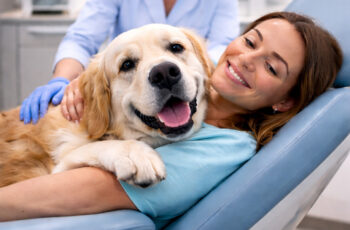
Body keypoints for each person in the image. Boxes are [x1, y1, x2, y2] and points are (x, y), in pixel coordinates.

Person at [1, 12, 342, 229]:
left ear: (285, 100)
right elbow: (84, 37)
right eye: (250, 41)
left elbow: (58, 192)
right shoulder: (206, 87)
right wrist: (77, 83)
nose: (247, 59)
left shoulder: (221, 148)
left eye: (272, 67)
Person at [19, 0, 240, 124]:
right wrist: (61, 80)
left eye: (175, 48)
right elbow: (82, 38)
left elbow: (223, 47)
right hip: (130, 102)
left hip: (190, 94)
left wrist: (190, 72)